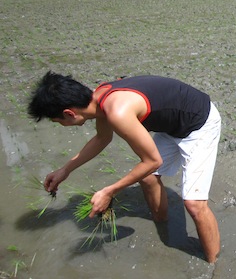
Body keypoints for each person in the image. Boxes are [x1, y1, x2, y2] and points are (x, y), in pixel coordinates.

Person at [28, 72, 221, 263]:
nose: (61, 125)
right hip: (173, 125)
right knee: (148, 178)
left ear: (68, 113)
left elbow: (153, 161)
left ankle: (214, 263)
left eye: (57, 122)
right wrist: (65, 170)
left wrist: (110, 191)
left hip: (199, 124)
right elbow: (102, 138)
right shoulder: (99, 98)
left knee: (194, 205)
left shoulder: (117, 111)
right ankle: (162, 222)